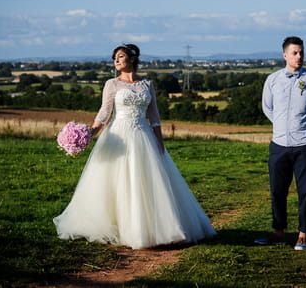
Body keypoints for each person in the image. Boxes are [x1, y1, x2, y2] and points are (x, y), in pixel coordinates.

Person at [53, 44, 216, 249]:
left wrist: (160, 142)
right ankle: (120, 226)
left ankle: (151, 230)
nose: (116, 61)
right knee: (116, 183)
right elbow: (104, 113)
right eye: (114, 58)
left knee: (147, 182)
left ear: (131, 59)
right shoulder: (111, 84)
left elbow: (154, 116)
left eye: (120, 57)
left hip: (143, 136)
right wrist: (88, 133)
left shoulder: (147, 84)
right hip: (118, 137)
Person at [256, 36, 306, 250]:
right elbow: (268, 108)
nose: (299, 56)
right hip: (278, 144)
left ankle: (304, 234)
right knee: (277, 191)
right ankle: (278, 233)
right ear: (285, 55)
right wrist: (282, 126)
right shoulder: (272, 80)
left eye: (302, 52)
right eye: (295, 53)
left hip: (305, 144)